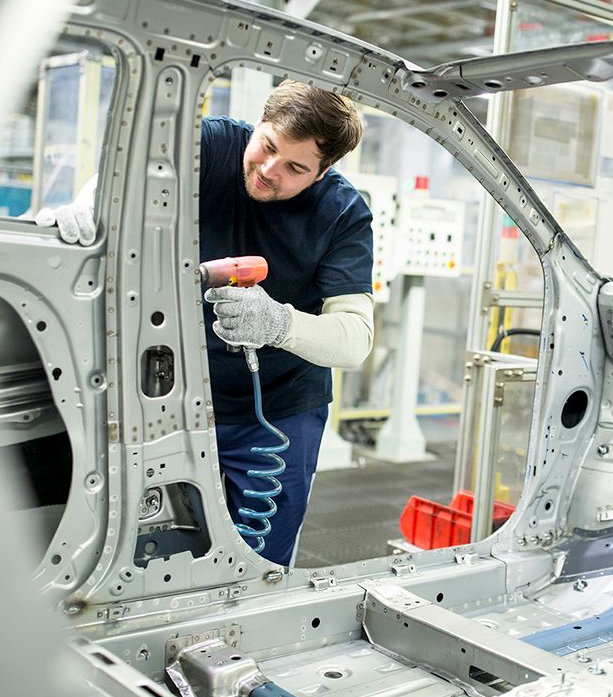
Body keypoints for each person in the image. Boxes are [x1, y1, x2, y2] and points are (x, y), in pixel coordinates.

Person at [38, 81, 374, 567]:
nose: (268, 170)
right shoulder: (212, 145)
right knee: (146, 548)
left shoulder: (342, 214)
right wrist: (89, 212)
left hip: (278, 413)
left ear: (325, 171)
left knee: (263, 559)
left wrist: (278, 324)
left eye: (295, 168)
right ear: (258, 124)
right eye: (268, 146)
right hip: (171, 397)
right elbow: (126, 174)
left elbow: (356, 340)